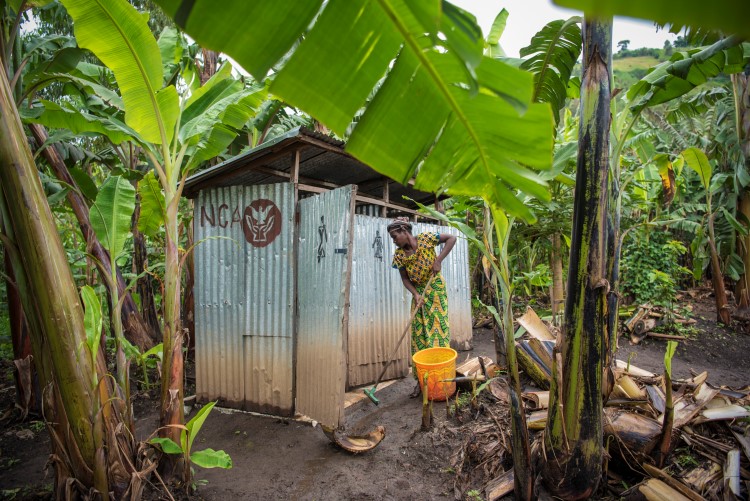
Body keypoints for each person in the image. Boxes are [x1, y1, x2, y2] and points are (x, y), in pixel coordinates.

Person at [388, 217, 457, 397]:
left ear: (404, 231)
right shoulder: (399, 255)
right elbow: (405, 279)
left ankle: (441, 379)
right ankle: (421, 383)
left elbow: (452, 238)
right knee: (419, 337)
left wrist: (439, 260)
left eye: (395, 236)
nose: (394, 241)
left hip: (435, 289)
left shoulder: (426, 239)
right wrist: (416, 294)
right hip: (419, 294)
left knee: (437, 333)